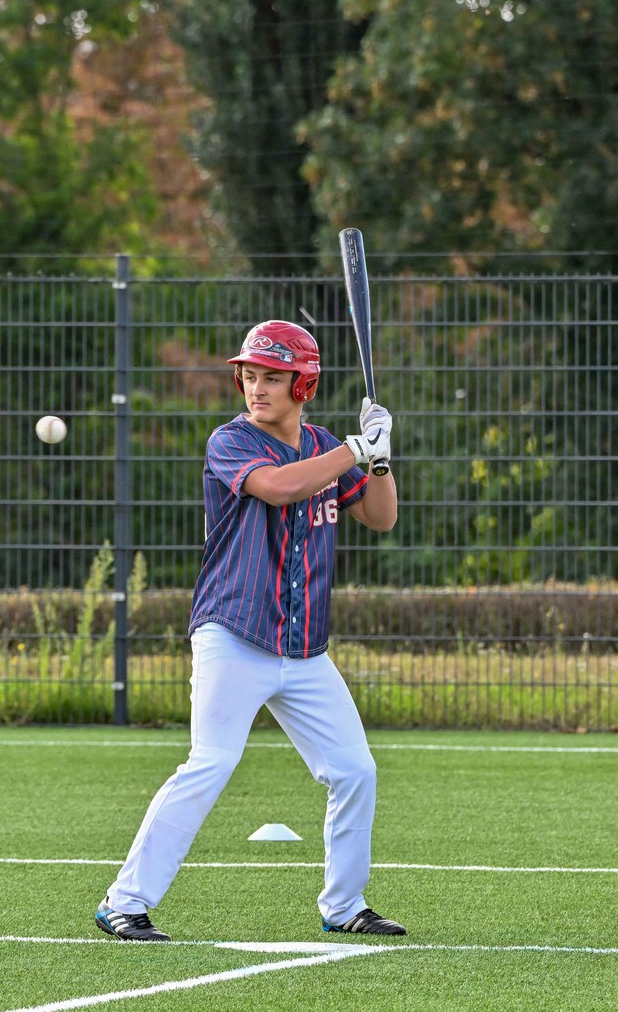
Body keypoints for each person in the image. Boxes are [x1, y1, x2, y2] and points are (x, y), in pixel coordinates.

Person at [94, 319, 405, 942]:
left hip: (304, 647)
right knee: (210, 762)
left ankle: (345, 905)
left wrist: (380, 460)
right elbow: (279, 488)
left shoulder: (321, 445)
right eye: (250, 376)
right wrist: (354, 450)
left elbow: (381, 517)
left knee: (355, 771)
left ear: (303, 385)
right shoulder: (231, 441)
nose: (256, 388)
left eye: (272, 378)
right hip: (234, 633)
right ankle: (124, 902)